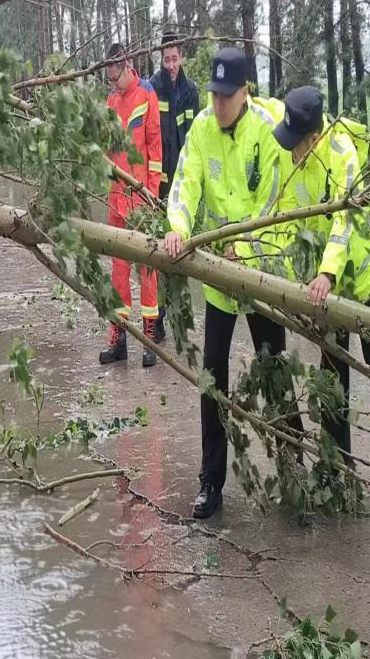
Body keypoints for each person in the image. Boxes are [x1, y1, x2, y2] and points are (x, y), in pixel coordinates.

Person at [163, 46, 303, 518]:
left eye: (227, 96)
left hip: (259, 272)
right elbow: (186, 182)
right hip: (219, 281)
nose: (219, 104)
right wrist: (178, 227)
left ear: (245, 91)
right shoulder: (202, 128)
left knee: (273, 370)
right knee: (212, 377)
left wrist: (246, 248)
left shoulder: (267, 128)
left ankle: (293, 466)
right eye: (214, 95)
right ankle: (211, 482)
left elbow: (277, 203)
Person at [272, 85, 370, 506]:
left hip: (363, 289)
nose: (292, 151)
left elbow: (344, 221)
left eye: (298, 144)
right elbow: (292, 224)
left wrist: (327, 273)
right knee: (332, 386)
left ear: (314, 137)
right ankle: (339, 475)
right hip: (322, 295)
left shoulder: (342, 153)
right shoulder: (295, 160)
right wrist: (295, 280)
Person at [101, 42, 163, 367]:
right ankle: (119, 338)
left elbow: (155, 146)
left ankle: (149, 337)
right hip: (116, 197)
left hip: (141, 198)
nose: (114, 83)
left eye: (116, 76)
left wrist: (152, 193)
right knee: (119, 270)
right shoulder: (111, 100)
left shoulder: (146, 94)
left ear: (126, 64)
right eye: (109, 79)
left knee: (147, 268)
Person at [148, 34, 199, 344]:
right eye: (166, 59)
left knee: (181, 251)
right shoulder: (153, 88)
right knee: (159, 252)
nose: (170, 65)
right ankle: (158, 318)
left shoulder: (191, 91)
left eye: (174, 59)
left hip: (185, 182)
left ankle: (180, 316)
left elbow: (195, 138)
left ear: (181, 58)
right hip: (160, 183)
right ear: (161, 60)